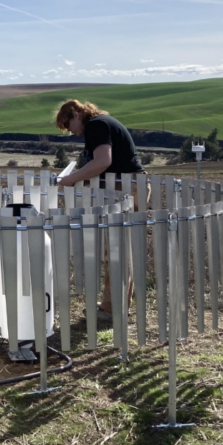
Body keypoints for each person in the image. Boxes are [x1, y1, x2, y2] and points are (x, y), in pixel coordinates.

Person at [54, 99, 146, 314]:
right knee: (121, 248)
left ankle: (111, 308)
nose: (71, 132)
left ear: (76, 113)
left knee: (115, 249)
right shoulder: (103, 122)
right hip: (130, 185)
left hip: (124, 188)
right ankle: (116, 305)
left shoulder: (96, 125)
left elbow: (102, 161)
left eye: (68, 125)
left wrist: (71, 179)